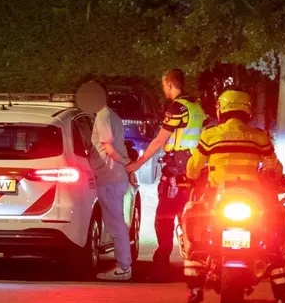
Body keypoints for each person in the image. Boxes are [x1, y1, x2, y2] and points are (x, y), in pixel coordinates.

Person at [181, 89, 285, 303]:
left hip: (217, 197)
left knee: (192, 215)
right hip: (252, 199)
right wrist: (279, 179)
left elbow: (194, 167)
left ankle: (195, 278)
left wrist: (189, 178)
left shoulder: (210, 136)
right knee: (275, 223)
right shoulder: (259, 137)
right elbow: (273, 167)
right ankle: (280, 282)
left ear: (221, 110)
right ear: (246, 110)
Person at [126, 68, 206, 271]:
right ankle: (196, 253)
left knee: (165, 215)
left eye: (164, 86)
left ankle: (163, 257)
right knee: (190, 213)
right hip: (195, 168)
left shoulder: (177, 108)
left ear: (169, 84)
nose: (164, 89)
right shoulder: (196, 106)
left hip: (177, 170)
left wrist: (138, 162)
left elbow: (159, 140)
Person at [77, 80, 135, 281]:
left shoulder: (103, 117)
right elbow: (120, 146)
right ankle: (124, 266)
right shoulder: (114, 116)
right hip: (115, 177)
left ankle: (123, 267)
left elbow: (109, 150)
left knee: (116, 224)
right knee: (117, 223)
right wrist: (129, 169)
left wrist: (127, 163)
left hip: (109, 177)